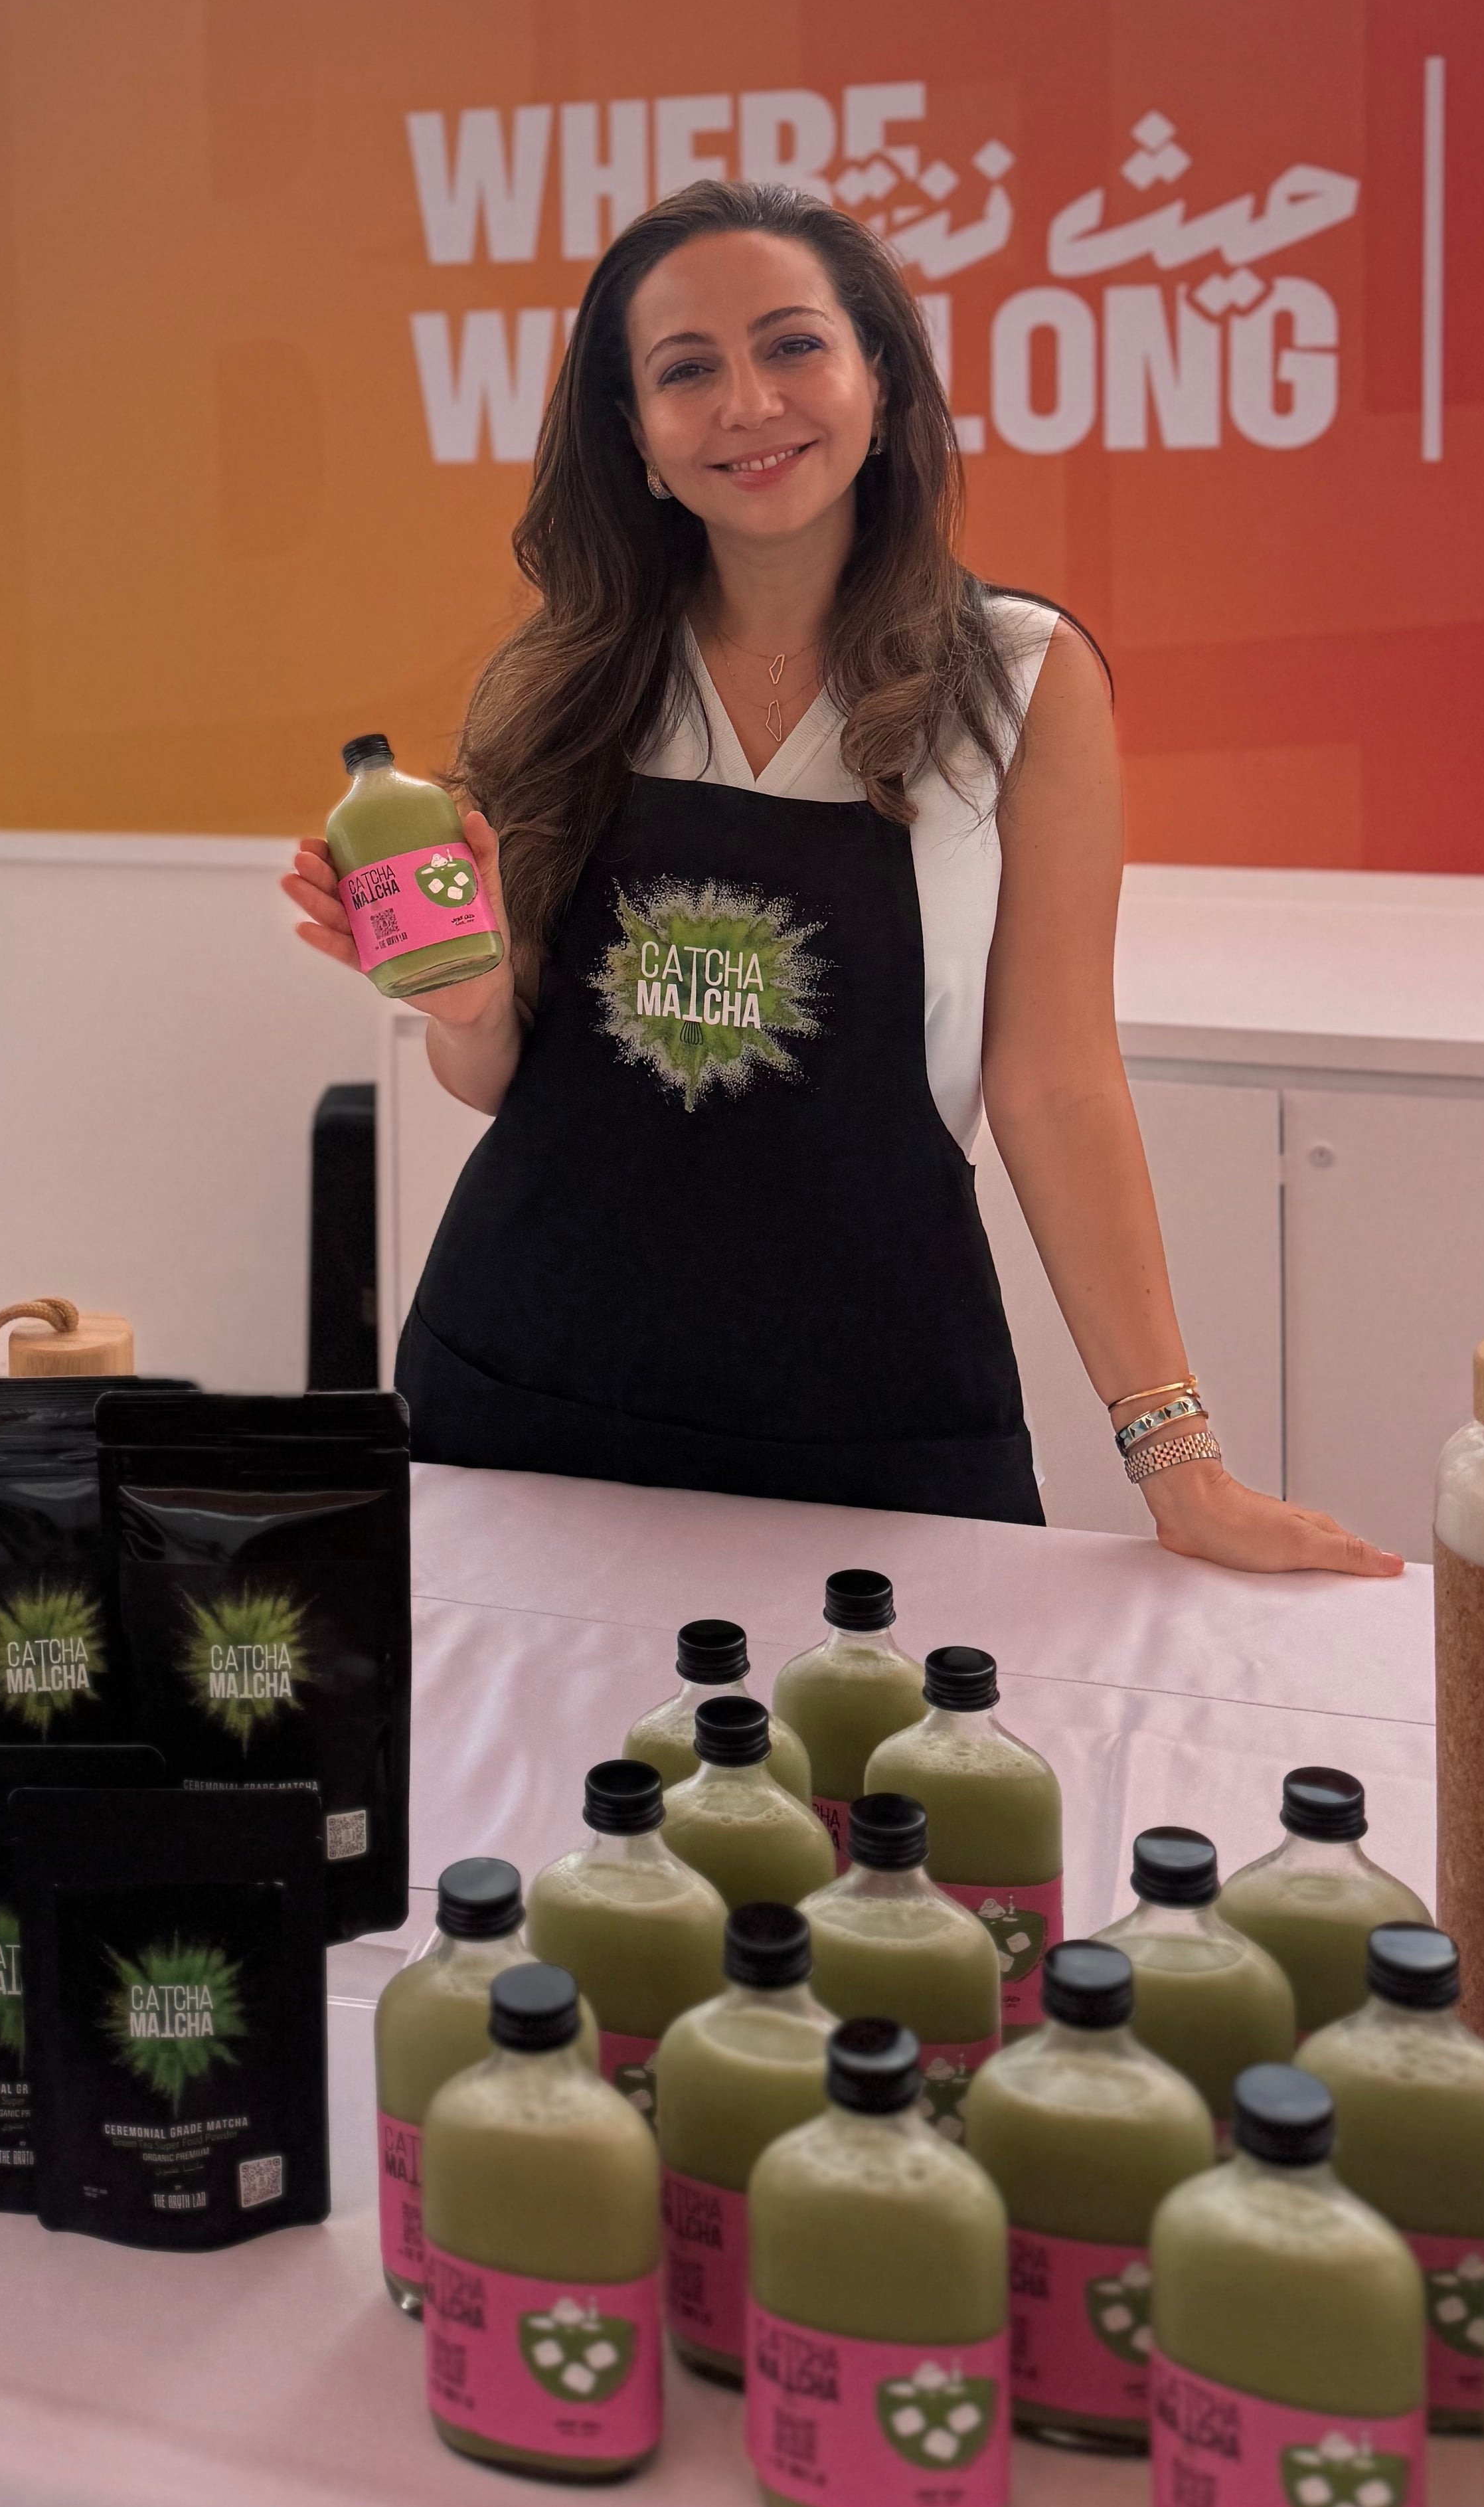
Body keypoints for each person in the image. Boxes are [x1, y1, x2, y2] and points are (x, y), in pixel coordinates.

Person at [284, 178, 1396, 1572]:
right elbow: (502, 1074)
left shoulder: (1019, 680)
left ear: (880, 382)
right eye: (687, 370)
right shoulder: (555, 687)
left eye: (794, 345)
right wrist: (456, 1004)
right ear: (634, 438)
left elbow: (1054, 1082)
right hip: (524, 1393)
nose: (748, 403)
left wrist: (1180, 1462)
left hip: (874, 1407)